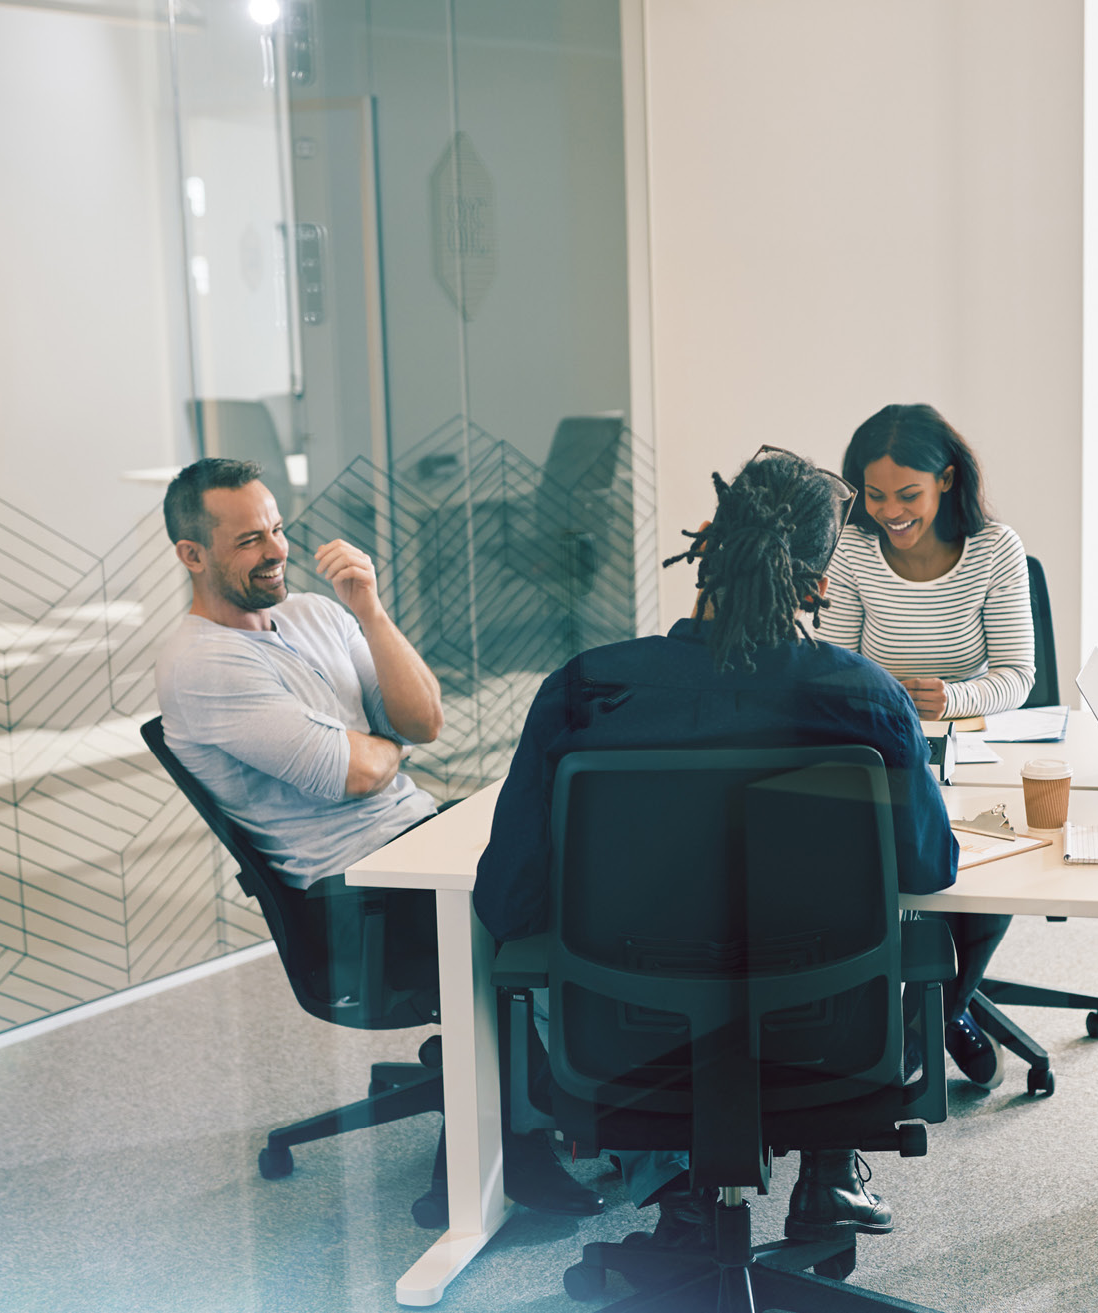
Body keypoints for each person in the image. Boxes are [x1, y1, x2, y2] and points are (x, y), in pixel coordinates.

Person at [474, 445, 959, 1250]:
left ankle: (680, 1199)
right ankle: (827, 1170)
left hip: (629, 1042)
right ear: (821, 584)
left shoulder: (589, 690)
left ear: (706, 546)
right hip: (827, 1043)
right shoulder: (864, 698)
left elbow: (508, 898)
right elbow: (929, 868)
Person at [148, 457, 597, 1223]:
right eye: (250, 539)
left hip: (416, 837)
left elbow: (421, 721)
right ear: (193, 554)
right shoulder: (202, 665)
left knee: (586, 851)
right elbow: (351, 774)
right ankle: (520, 1137)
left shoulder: (319, 613)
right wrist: (378, 742)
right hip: (356, 899)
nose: (277, 550)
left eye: (279, 529)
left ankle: (568, 1090)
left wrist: (372, 611)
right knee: (548, 902)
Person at [818, 403, 1032, 1089]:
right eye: (874, 496)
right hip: (875, 747)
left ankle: (940, 1014)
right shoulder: (851, 550)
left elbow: (1018, 675)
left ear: (944, 480)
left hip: (969, 749)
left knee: (987, 877)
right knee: (869, 865)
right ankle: (921, 1016)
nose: (891, 512)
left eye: (908, 495)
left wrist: (954, 697)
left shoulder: (996, 549)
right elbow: (830, 663)